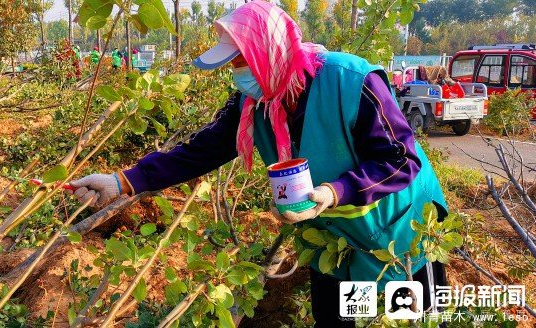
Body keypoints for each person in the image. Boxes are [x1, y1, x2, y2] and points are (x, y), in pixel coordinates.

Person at [67, 1, 448, 326]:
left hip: (401, 228)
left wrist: (335, 191)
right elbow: (202, 150)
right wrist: (124, 181)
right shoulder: (257, 102)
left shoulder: (352, 81)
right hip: (335, 237)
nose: (237, 77)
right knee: (335, 319)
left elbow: (400, 159)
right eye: (232, 67)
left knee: (413, 317)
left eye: (240, 63)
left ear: (269, 53)